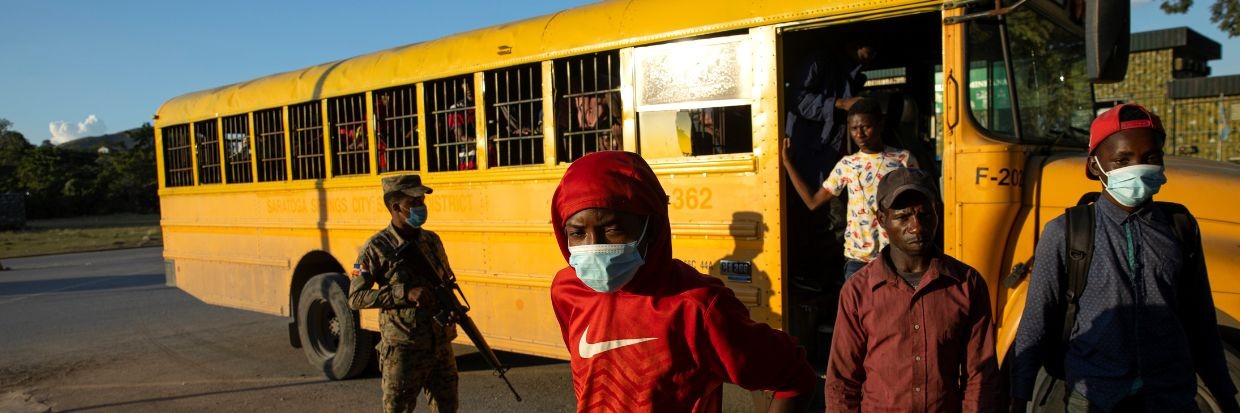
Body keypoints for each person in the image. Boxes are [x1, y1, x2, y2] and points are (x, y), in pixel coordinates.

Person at [1009, 103, 1239, 413]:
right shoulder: (1065, 232)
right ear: (1094, 166)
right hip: (1094, 397)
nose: (1137, 168)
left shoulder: (1180, 228)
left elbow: (1202, 323)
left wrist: (1225, 394)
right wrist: (1017, 397)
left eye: (1150, 159)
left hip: (1170, 398)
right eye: (1122, 160)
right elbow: (1035, 324)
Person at [549, 151, 816, 413]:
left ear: (651, 227)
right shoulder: (566, 290)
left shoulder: (698, 306)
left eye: (613, 229)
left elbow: (795, 376)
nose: (594, 247)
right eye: (578, 233)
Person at [824, 167, 998, 412]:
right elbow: (842, 381)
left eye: (924, 215)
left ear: (936, 213)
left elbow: (980, 374)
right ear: (882, 219)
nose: (916, 227)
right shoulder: (858, 291)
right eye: (903, 217)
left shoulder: (967, 284)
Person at [349, 174, 459, 413]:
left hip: (439, 346)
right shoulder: (376, 247)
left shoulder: (431, 240)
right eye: (414, 203)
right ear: (395, 207)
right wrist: (403, 293)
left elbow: (447, 282)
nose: (421, 207)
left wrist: (452, 311)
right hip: (403, 349)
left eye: (422, 201)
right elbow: (356, 298)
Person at [782, 97, 919, 280]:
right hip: (857, 260)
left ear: (881, 124)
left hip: (897, 259)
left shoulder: (902, 160)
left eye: (866, 127)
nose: (859, 134)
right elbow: (813, 202)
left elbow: (920, 206)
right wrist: (787, 163)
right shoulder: (847, 165)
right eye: (854, 128)